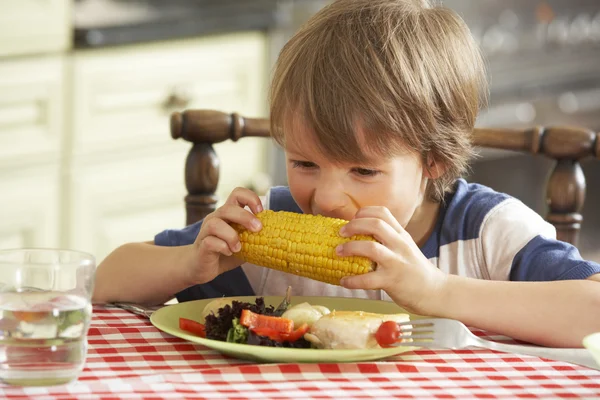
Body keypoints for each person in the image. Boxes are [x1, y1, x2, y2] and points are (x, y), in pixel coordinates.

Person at [93, 0, 600, 348]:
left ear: (434, 161)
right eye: (305, 163)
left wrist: (437, 292)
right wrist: (189, 264)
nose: (328, 198)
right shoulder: (269, 221)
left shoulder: (487, 232)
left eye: (363, 170)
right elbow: (104, 282)